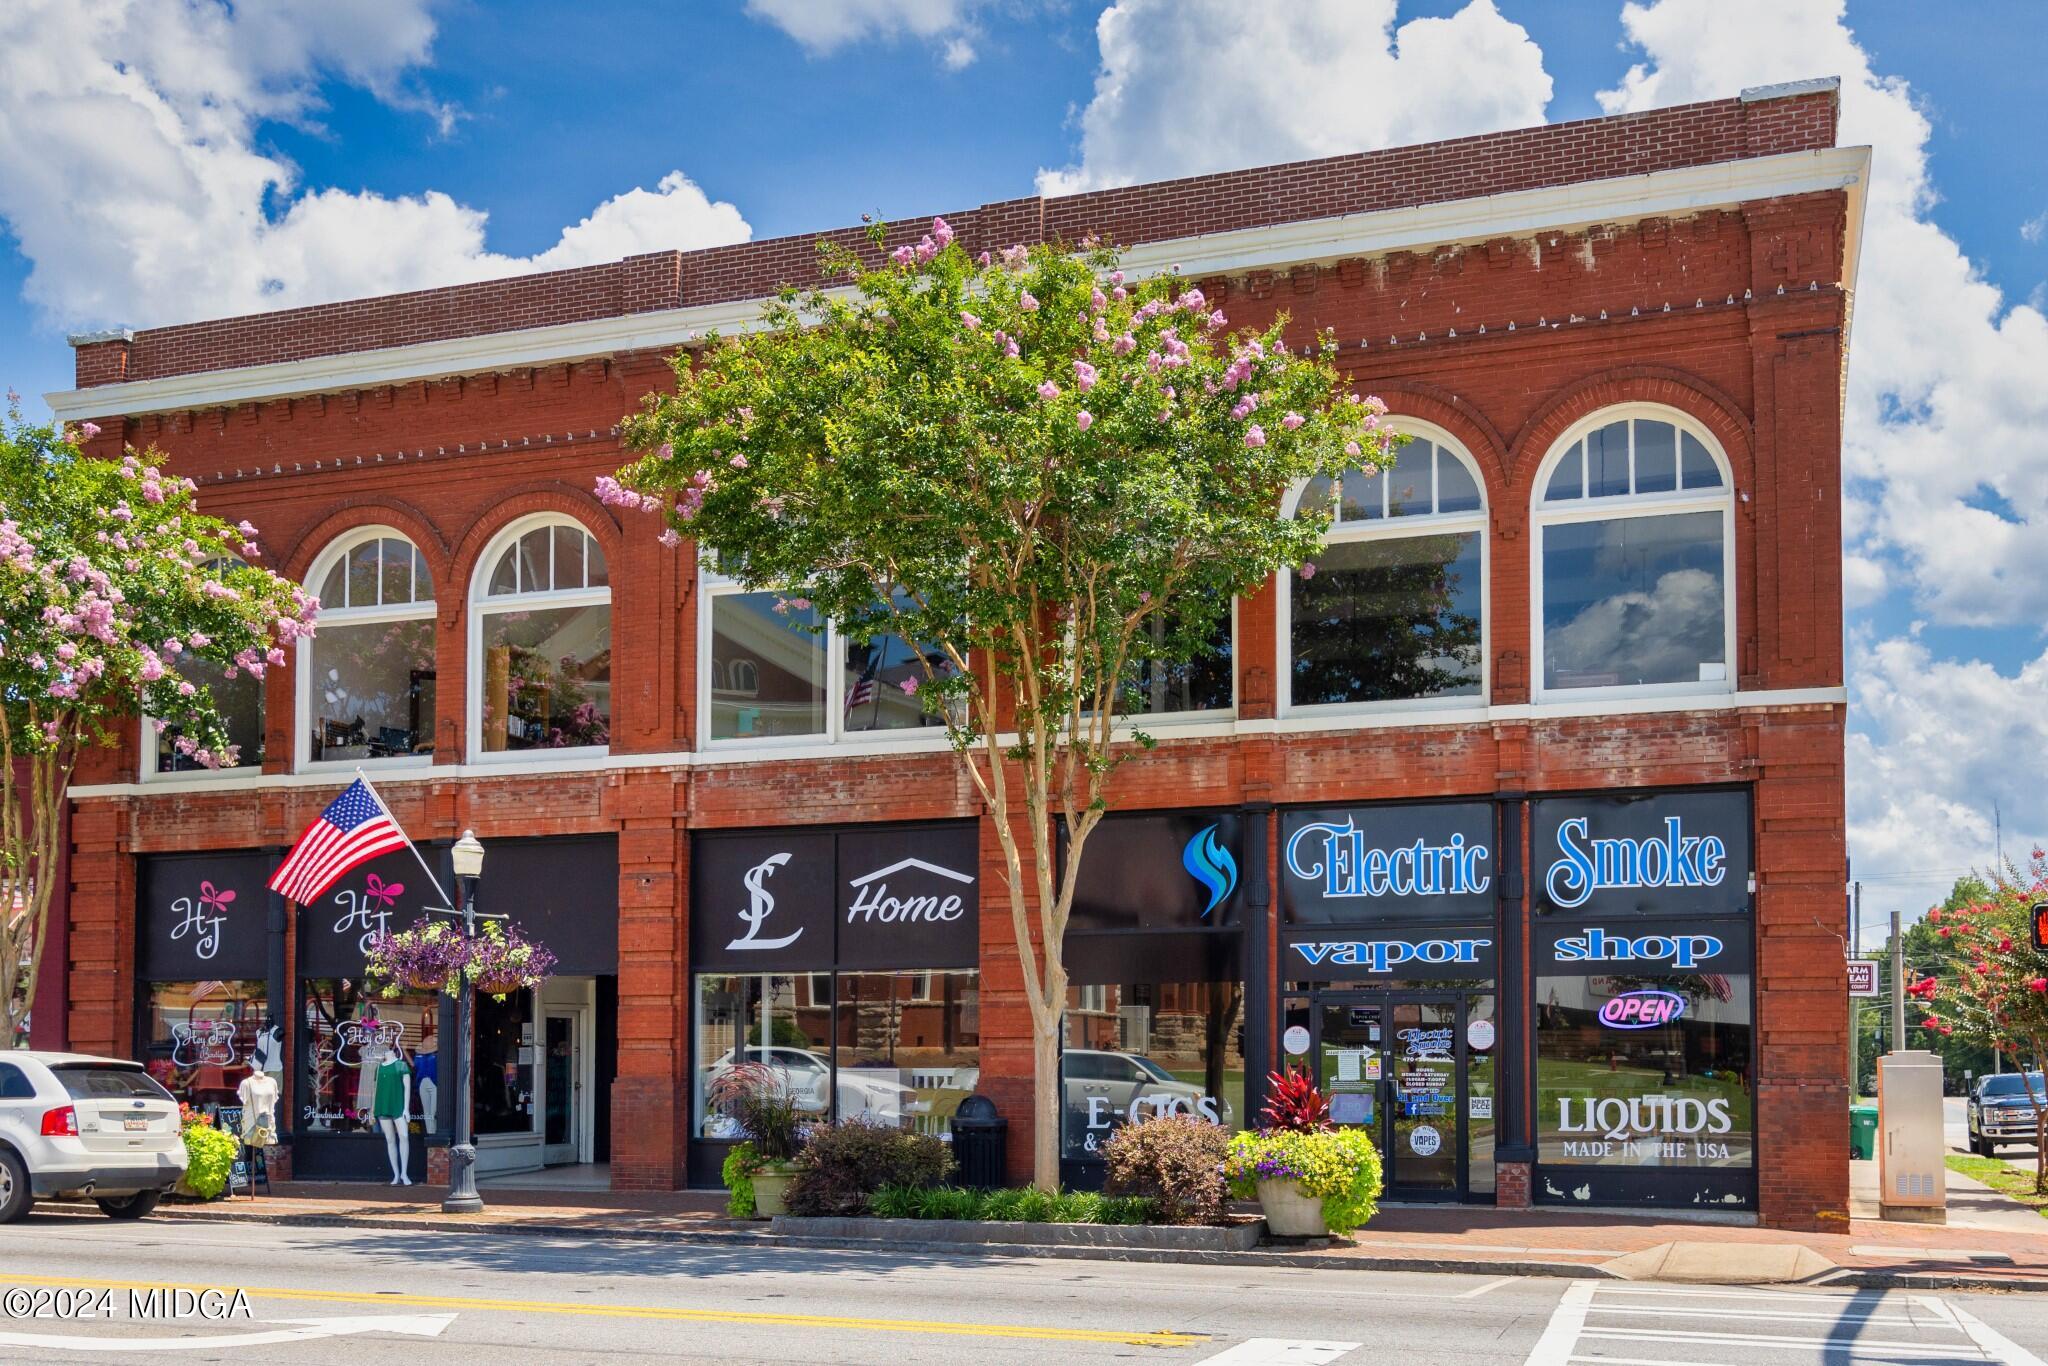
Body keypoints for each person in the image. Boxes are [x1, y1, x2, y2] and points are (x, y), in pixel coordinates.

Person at [373, 1044, 414, 1185]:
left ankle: (404, 1173)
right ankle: (396, 1174)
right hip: (382, 1106)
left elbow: (407, 1088)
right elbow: (375, 1090)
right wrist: (373, 1110)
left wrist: (406, 1109)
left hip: (399, 1107)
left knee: (404, 1137)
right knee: (390, 1139)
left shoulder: (401, 1065)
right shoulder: (379, 1068)